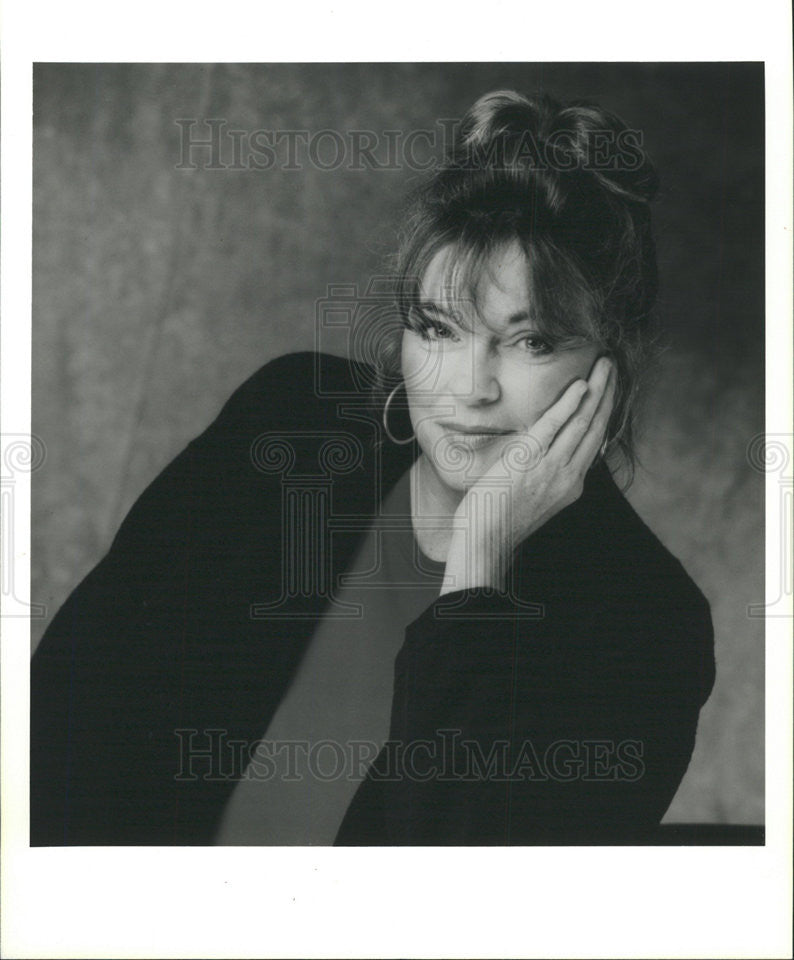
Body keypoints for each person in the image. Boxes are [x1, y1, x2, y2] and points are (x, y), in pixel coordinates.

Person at [30, 89, 715, 846]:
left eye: (533, 342)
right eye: (440, 328)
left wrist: (479, 561)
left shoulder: (644, 626)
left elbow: (458, 904)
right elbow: (70, 706)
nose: (470, 387)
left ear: (610, 363)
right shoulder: (288, 424)